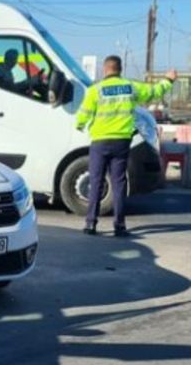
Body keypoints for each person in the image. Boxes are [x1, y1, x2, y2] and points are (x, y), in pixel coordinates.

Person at [75, 55, 176, 236]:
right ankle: (119, 226)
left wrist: (80, 125)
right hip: (121, 141)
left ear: (105, 69)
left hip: (100, 141)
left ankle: (90, 224)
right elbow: (153, 92)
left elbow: (83, 115)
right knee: (119, 182)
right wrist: (168, 80)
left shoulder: (95, 90)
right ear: (120, 69)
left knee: (96, 181)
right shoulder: (130, 87)